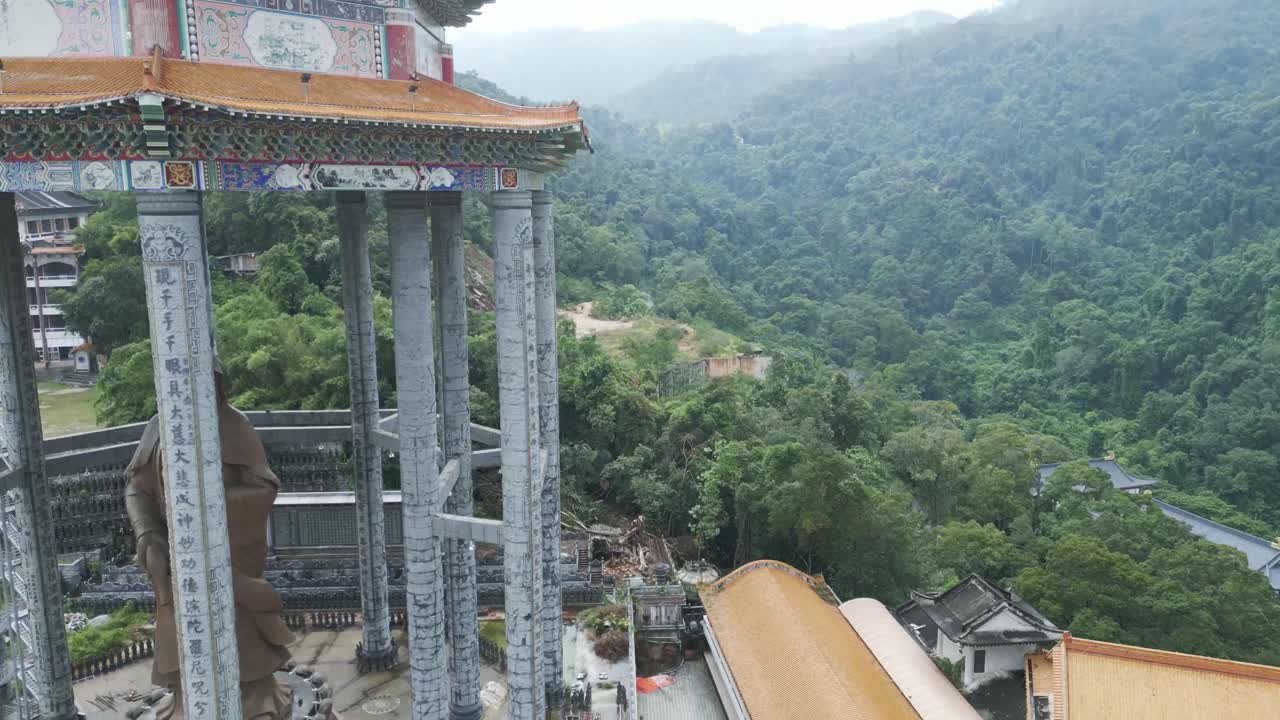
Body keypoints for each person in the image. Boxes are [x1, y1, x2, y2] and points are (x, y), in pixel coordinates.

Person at [125, 364, 292, 719]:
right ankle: (188, 701)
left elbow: (265, 487)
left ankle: (256, 699)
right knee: (185, 628)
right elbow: (137, 487)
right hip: (177, 559)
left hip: (227, 553)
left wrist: (207, 507)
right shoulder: (158, 426)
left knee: (237, 620)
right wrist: (148, 531)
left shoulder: (234, 424)